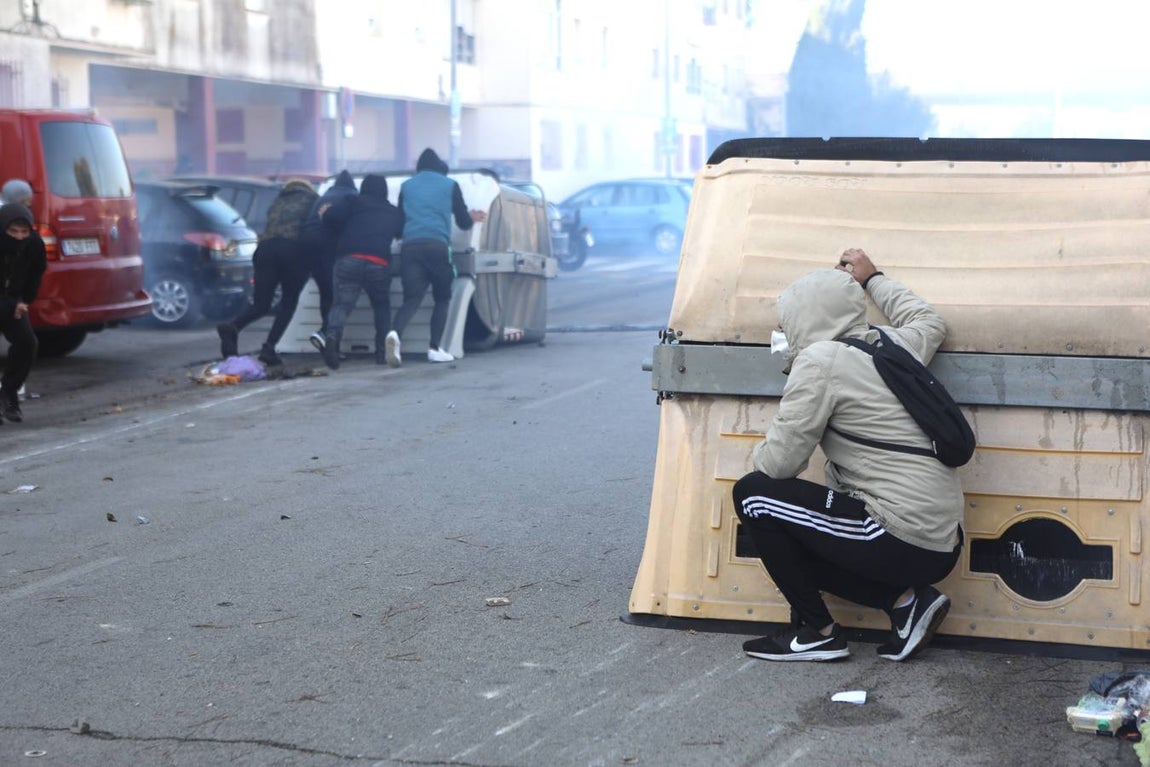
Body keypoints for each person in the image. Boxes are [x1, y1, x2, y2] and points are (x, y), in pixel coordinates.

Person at [731, 248, 964, 663]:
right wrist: (873, 278)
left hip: (897, 534)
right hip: (941, 542)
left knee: (754, 496)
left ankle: (816, 632)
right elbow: (930, 321)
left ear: (803, 320)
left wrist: (757, 449)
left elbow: (778, 465)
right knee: (798, 527)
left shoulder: (820, 361)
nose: (781, 333)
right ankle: (906, 603)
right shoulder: (893, 346)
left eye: (785, 324)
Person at [388, 148, 486, 366]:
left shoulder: (406, 187)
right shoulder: (449, 185)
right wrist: (471, 217)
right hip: (437, 246)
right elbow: (462, 221)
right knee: (442, 298)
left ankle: (394, 335)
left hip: (410, 247)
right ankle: (434, 348)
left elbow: (399, 225)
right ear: (439, 167)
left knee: (411, 299)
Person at [217, 179, 318, 366]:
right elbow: (313, 230)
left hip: (264, 250)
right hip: (291, 251)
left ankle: (232, 326)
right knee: (289, 302)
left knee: (261, 304)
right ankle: (269, 347)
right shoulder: (313, 200)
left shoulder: (277, 202)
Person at [318, 173, 403, 370]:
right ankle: (382, 353)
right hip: (378, 261)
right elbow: (400, 232)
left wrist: (325, 213)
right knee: (381, 305)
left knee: (341, 305)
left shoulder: (352, 202)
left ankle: (332, 338)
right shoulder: (393, 211)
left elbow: (330, 218)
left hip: (350, 258)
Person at [300, 170, 358, 353]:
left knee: (325, 292)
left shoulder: (324, 196)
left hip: (307, 244)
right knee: (335, 294)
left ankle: (326, 337)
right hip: (328, 245)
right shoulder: (351, 196)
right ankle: (328, 337)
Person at [0, 204, 47, 423]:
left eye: (24, 232)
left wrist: (25, 301)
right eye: (13, 232)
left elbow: (36, 273)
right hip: (7, 301)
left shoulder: (35, 244)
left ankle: (9, 392)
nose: (19, 237)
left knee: (27, 343)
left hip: (14, 301)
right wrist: (11, 305)